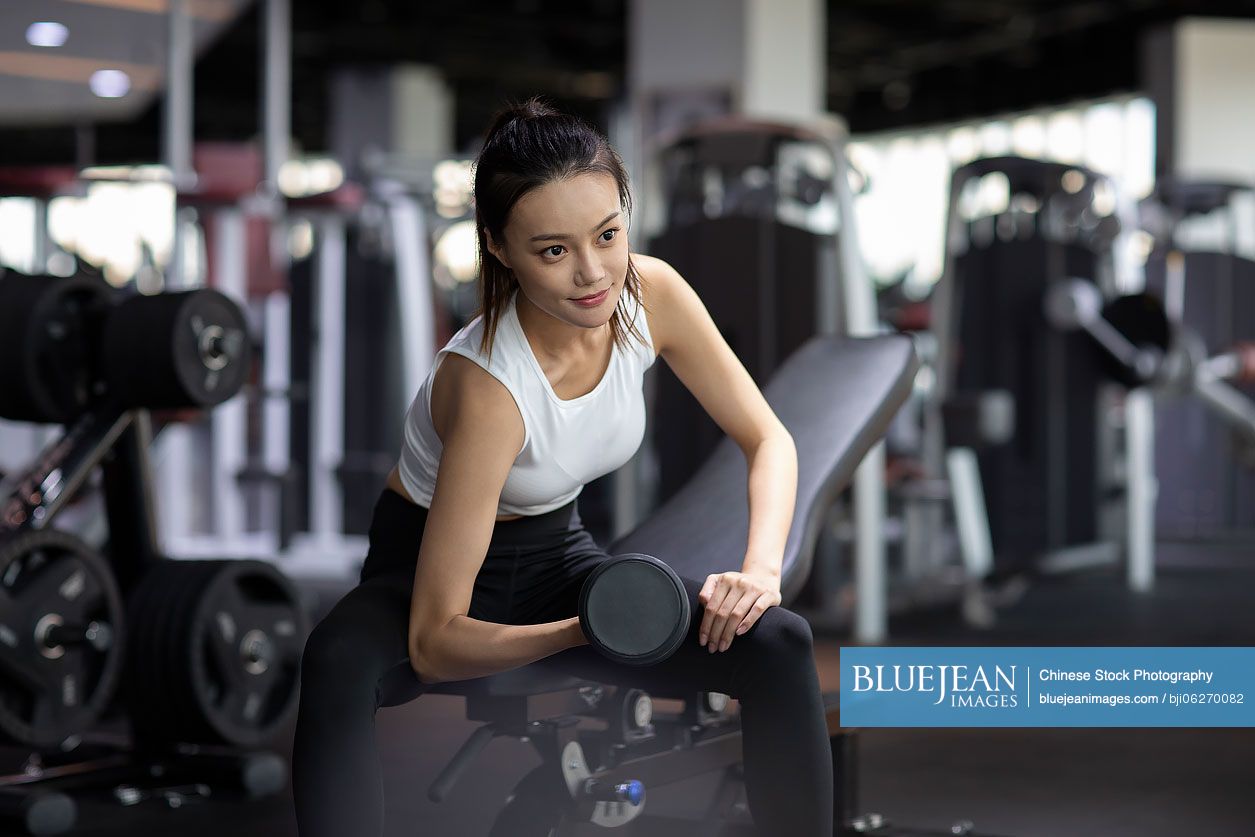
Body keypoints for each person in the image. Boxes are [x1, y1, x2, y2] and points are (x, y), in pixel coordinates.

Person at [292, 99, 833, 836]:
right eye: (552, 251)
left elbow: (768, 438)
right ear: (499, 248)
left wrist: (759, 573)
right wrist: (585, 630)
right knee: (336, 661)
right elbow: (435, 640)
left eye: (607, 235)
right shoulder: (488, 386)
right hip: (427, 571)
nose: (592, 274)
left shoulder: (652, 293)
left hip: (557, 551)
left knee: (776, 642)